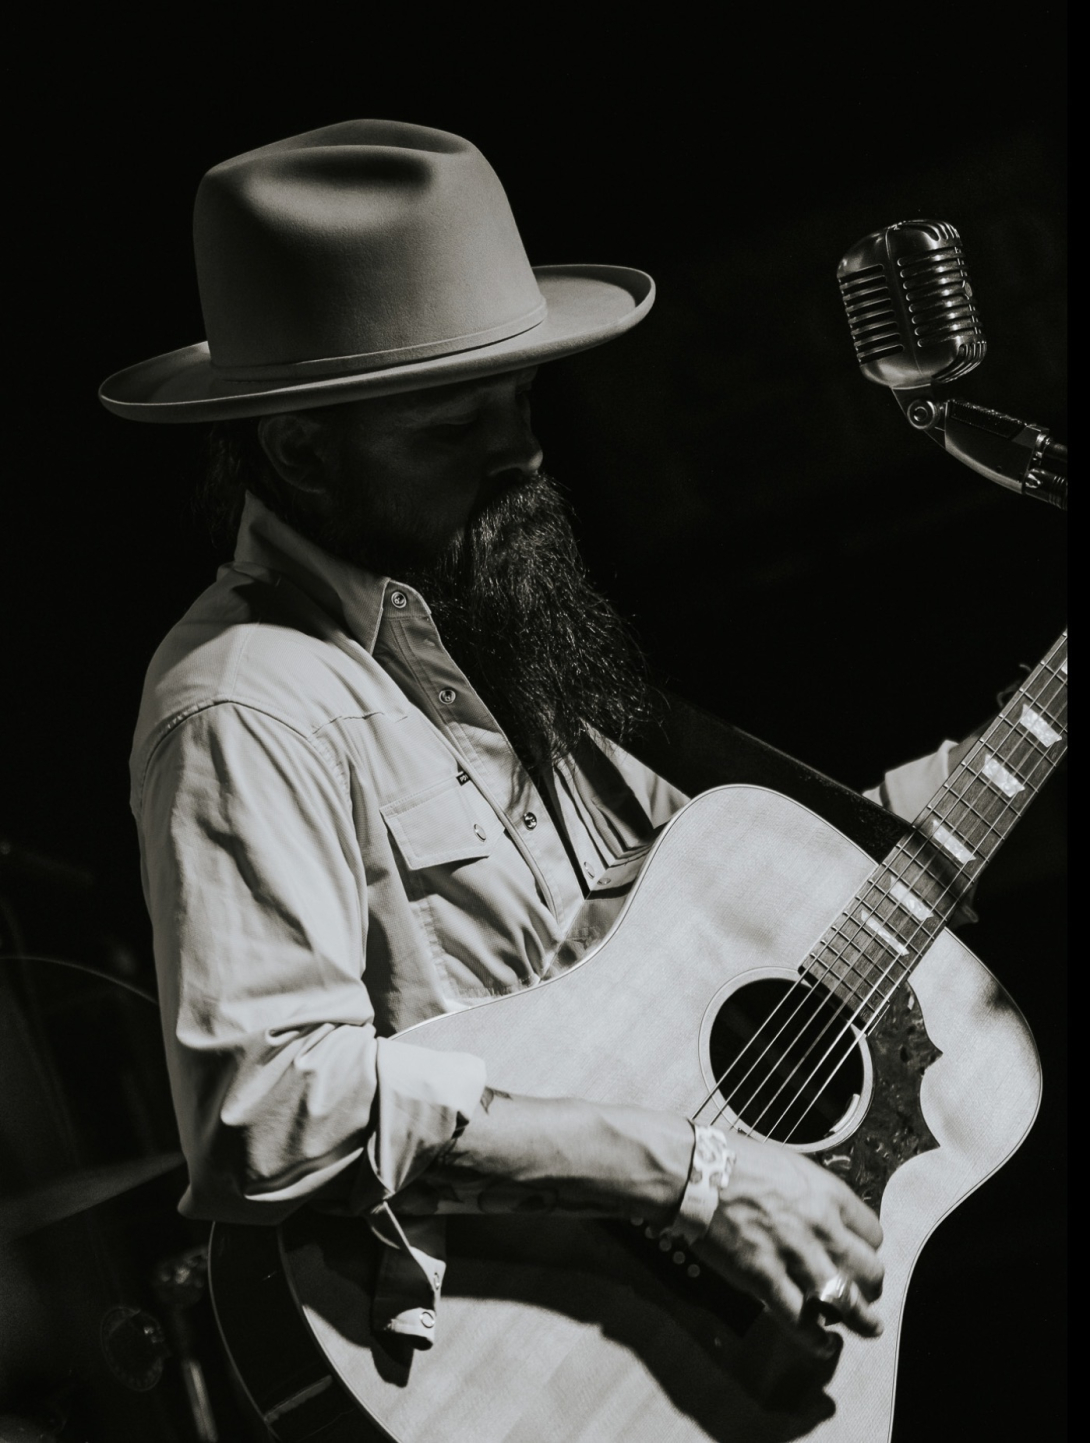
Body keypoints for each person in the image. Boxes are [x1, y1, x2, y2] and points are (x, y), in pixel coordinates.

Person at [101, 119, 962, 1364]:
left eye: (518, 402)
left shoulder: (492, 632)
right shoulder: (246, 703)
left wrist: (984, 777)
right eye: (453, 428)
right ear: (300, 450)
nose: (523, 454)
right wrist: (689, 1175)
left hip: (670, 1327)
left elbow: (757, 902)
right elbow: (265, 1106)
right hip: (526, 1361)